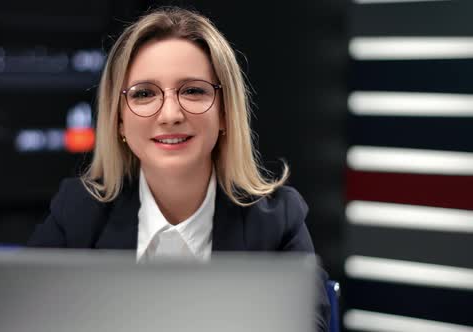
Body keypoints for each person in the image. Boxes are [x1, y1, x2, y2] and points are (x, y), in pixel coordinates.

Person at [28, 6, 330, 331]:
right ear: (118, 120)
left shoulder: (279, 222)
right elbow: (18, 314)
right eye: (144, 93)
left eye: (193, 91)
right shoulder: (76, 213)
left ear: (225, 113)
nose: (170, 114)